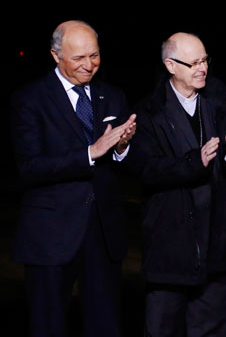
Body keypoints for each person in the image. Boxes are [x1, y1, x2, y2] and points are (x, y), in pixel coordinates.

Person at [11, 20, 137, 336]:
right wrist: (90, 153)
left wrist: (122, 148)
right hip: (50, 237)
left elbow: (127, 163)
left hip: (103, 234)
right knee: (48, 325)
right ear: (56, 56)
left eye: (94, 56)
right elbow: (29, 167)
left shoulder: (113, 95)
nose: (89, 65)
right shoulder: (30, 99)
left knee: (105, 325)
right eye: (78, 58)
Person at [131, 32, 226, 336]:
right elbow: (146, 168)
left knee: (211, 328)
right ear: (170, 66)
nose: (202, 68)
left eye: (205, 60)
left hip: (215, 244)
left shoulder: (221, 100)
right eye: (193, 63)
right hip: (170, 248)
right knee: (162, 328)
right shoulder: (149, 112)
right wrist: (194, 162)